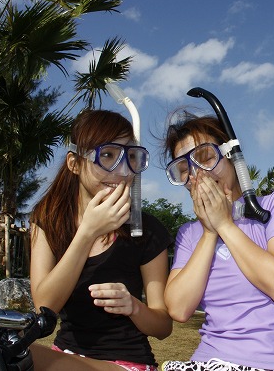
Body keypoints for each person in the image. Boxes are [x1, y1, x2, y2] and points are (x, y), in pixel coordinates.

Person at [161, 111, 274, 371]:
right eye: (184, 170)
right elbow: (178, 308)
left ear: (230, 154)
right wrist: (209, 233)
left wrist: (224, 224)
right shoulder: (189, 233)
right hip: (208, 361)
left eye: (206, 157)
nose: (198, 174)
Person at [28, 109, 173, 370]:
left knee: (18, 359)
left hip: (127, 363)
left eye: (130, 157)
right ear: (74, 163)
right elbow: (45, 307)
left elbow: (163, 327)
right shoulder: (49, 220)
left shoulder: (146, 230)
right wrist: (87, 232)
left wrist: (134, 307)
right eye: (107, 155)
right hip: (66, 355)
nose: (122, 170)